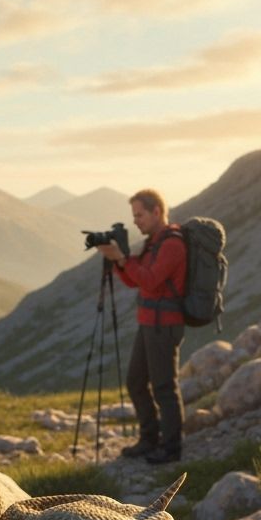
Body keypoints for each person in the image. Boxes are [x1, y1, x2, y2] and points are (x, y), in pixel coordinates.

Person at [98, 188, 186, 464]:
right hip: (149, 323)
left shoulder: (172, 244)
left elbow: (151, 280)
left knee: (163, 387)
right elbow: (136, 281)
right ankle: (149, 439)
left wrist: (123, 260)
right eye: (134, 215)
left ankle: (171, 448)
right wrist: (118, 262)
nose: (136, 221)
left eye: (140, 214)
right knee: (136, 382)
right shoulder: (154, 242)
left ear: (156, 212)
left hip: (164, 325)